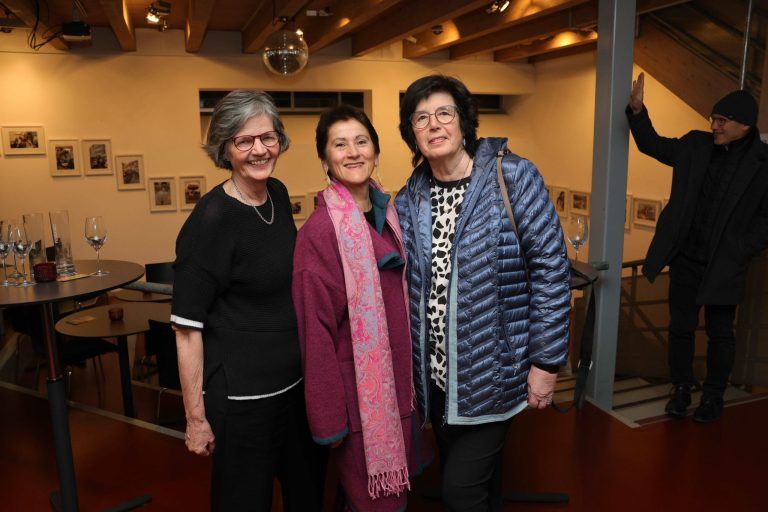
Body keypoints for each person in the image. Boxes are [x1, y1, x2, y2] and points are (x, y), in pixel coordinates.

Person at [395, 75, 571, 511]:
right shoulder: (410, 194)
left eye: (444, 113)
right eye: (421, 117)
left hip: (496, 374)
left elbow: (551, 270)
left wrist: (546, 363)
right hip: (437, 380)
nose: (433, 124)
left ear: (463, 122)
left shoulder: (512, 175)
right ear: (412, 133)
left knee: (460, 493)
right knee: (481, 482)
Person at [171, 89, 326, 511]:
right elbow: (187, 330)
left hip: (294, 390)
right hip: (243, 403)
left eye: (268, 137)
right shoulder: (210, 220)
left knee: (308, 495)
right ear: (225, 148)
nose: (259, 150)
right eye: (244, 141)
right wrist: (196, 419)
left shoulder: (275, 192)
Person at [292, 105, 431, 512]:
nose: (353, 152)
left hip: (399, 393)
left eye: (361, 141)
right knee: (375, 503)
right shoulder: (319, 232)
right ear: (324, 160)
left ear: (375, 151)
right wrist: (328, 417)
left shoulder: (390, 214)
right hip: (358, 403)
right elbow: (314, 332)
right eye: (340, 144)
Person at [627, 73, 768, 423]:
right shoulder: (695, 145)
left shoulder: (764, 164)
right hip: (687, 259)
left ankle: (713, 397)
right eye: (713, 119)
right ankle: (680, 389)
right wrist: (637, 112)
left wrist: (743, 249)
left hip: (726, 264)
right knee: (681, 328)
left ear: (745, 126)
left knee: (721, 334)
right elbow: (652, 145)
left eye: (722, 121)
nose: (714, 126)